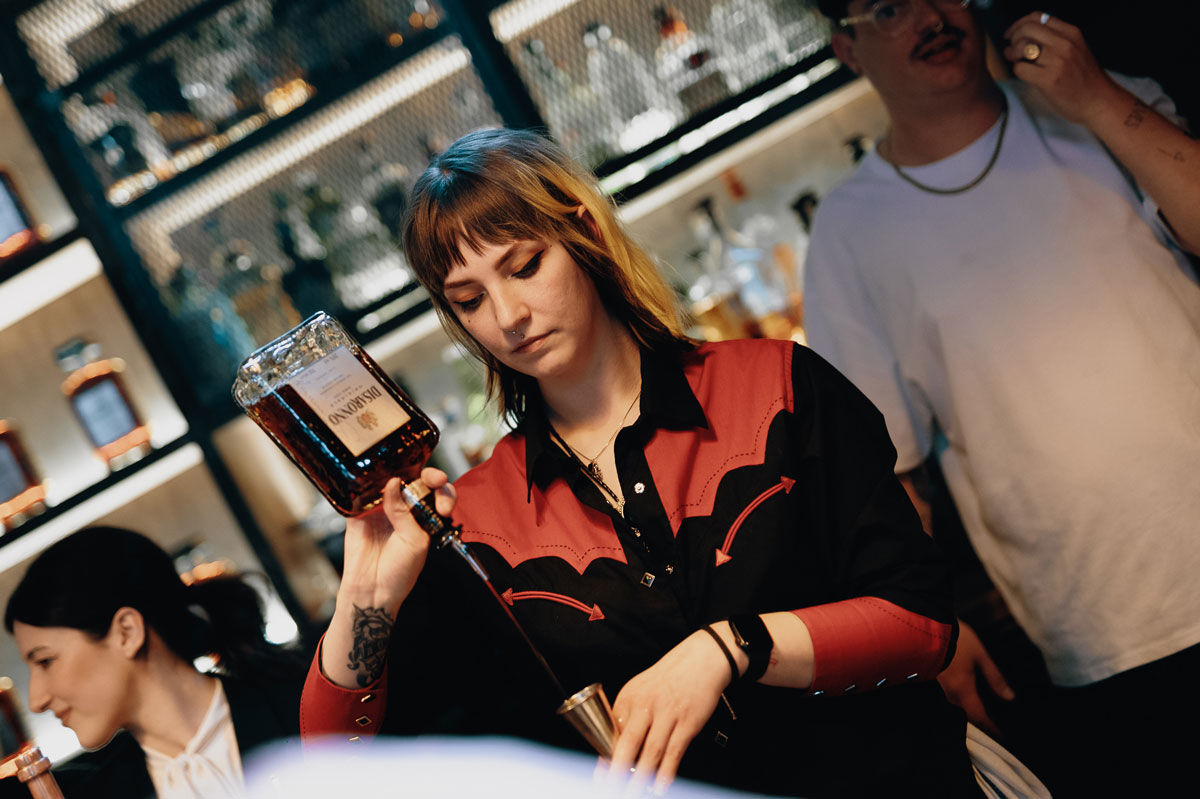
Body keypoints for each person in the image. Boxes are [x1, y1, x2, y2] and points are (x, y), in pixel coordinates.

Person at [298, 127, 989, 798]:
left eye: (524, 265)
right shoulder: (477, 520)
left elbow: (922, 624)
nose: (507, 315)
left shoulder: (775, 384)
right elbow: (337, 765)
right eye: (470, 300)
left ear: (587, 234)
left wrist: (730, 647)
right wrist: (364, 597)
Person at [802, 0, 1200, 795]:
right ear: (847, 48)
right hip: (1108, 630)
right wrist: (930, 628)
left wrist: (1093, 100)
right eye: (888, 7)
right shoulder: (849, 233)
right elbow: (884, 475)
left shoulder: (1096, 103)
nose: (929, 15)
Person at [3, 526, 304, 799]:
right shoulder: (88, 793)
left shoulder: (307, 708)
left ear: (127, 632)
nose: (36, 701)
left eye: (45, 661)